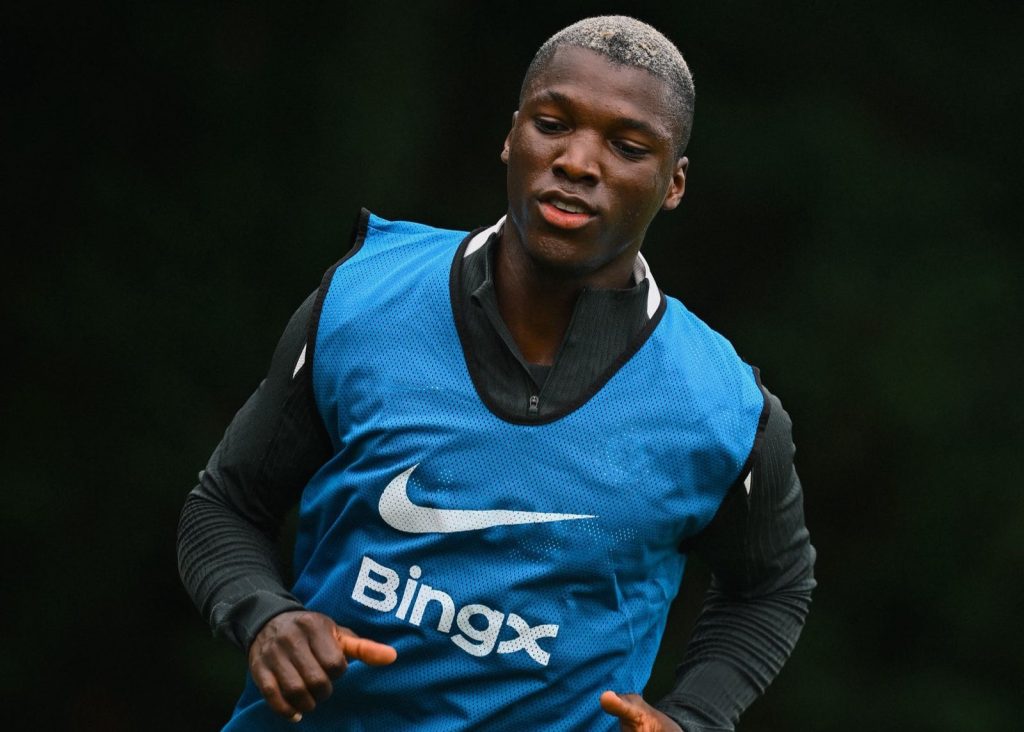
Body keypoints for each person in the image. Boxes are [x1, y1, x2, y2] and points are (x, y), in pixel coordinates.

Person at [177, 15, 815, 732]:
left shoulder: (722, 410)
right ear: (513, 136)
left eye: (628, 146)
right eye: (553, 124)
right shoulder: (363, 301)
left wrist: (695, 717)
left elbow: (773, 588)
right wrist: (265, 616)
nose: (577, 162)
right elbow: (224, 506)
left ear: (674, 184)